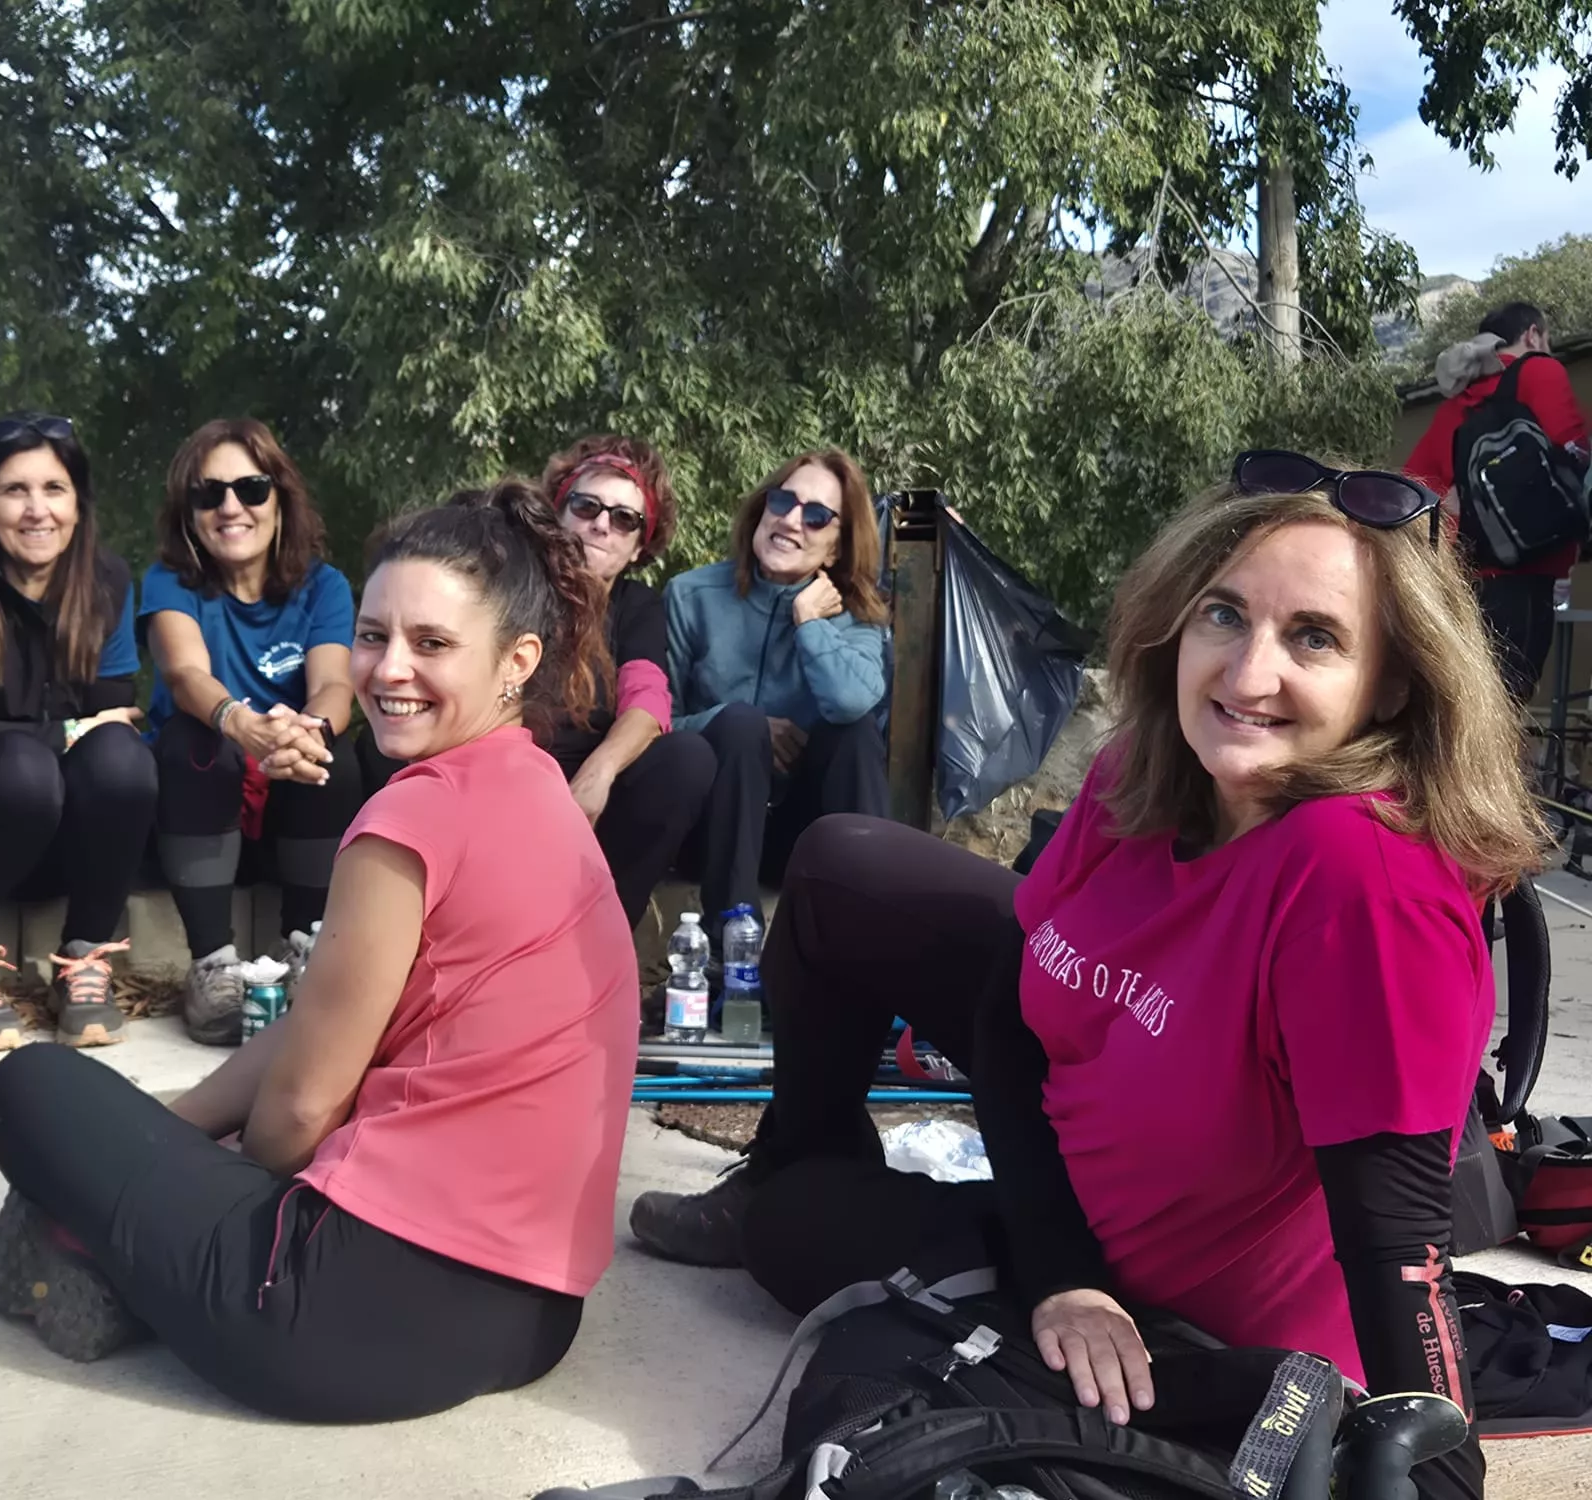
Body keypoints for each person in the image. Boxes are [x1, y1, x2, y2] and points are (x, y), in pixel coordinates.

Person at [631, 454, 1546, 1500]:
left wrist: (1422, 1455)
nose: (1245, 675)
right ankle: (809, 1170)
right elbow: (1008, 1026)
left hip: (1193, 1325)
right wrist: (1059, 1271)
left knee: (792, 1236)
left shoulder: (1358, 877)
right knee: (842, 867)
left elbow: (1400, 1251)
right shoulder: (1144, 771)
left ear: (1388, 679)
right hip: (1077, 1222)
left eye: (1313, 637)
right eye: (1222, 615)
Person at [0, 479, 638, 1422]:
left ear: (516, 662)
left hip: (332, 1316)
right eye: (373, 636)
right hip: (536, 1316)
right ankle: (133, 1244)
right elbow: (317, 1036)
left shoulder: (411, 814)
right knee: (137, 1131)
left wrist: (193, 1169)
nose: (389, 669)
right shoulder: (541, 792)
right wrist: (168, 1132)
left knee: (33, 1086)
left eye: (433, 643)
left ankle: (102, 1260)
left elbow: (299, 1107)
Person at [0, 413, 156, 1052]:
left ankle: (85, 959)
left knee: (122, 757)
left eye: (54, 489)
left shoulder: (107, 579)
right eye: (15, 490)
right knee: (22, 766)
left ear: (77, 504)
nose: (37, 511)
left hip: (72, 835)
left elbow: (116, 707)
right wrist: (63, 732)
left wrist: (72, 733)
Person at [139, 418, 365, 1045]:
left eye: (251, 488)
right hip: (204, 805)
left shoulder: (324, 585)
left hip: (292, 795)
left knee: (336, 757)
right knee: (195, 743)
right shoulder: (169, 582)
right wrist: (243, 724)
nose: (231, 507)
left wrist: (306, 732)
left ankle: (306, 951)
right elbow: (185, 674)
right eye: (209, 494)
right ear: (189, 511)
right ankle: (212, 965)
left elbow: (333, 688)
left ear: (279, 498)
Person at [664, 449, 889, 942]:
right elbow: (660, 725)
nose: (790, 521)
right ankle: (733, 940)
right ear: (762, 508)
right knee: (742, 724)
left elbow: (852, 702)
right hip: (711, 830)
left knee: (854, 732)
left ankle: (869, 931)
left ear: (835, 548)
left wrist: (810, 623)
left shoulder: (856, 618)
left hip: (800, 836)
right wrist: (732, 724)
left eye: (815, 516)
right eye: (783, 501)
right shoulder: (690, 596)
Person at [538, 435, 715, 930]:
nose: (600, 524)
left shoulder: (638, 607)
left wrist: (598, 774)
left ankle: (600, 937)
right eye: (586, 505)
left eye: (624, 519)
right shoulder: (512, 582)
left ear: (640, 545)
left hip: (592, 784)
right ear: (559, 512)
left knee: (687, 758)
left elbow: (648, 704)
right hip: (511, 768)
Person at [1405, 301, 1590, 703]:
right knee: (1504, 705)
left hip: (1463, 577)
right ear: (1532, 335)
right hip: (1527, 572)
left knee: (1467, 702)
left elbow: (1413, 483)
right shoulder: (1542, 370)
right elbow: (1574, 449)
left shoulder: (1457, 402)